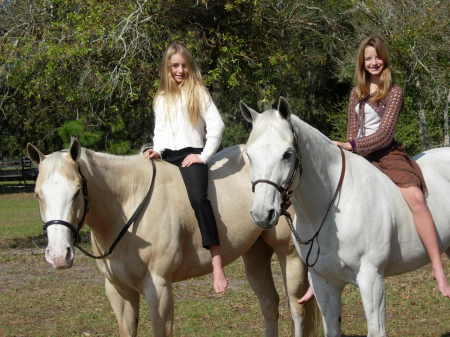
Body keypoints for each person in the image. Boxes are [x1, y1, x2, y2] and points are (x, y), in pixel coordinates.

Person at [299, 35, 450, 304]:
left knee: (415, 196)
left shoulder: (394, 92)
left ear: (384, 59)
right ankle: (318, 272)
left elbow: (384, 133)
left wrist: (351, 145)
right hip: (357, 155)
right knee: (326, 200)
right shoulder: (356, 92)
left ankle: (437, 266)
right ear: (362, 62)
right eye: (368, 58)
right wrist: (349, 150)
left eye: (377, 57)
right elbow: (351, 129)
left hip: (387, 154)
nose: (373, 62)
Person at [143, 42, 228, 294]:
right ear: (167, 68)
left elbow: (218, 126)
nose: (179, 70)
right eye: (174, 66)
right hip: (166, 156)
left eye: (183, 65)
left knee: (199, 199)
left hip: (192, 155)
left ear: (190, 67)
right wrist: (156, 150)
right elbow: (160, 132)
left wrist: (203, 156)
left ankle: (216, 264)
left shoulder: (198, 92)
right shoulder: (160, 98)